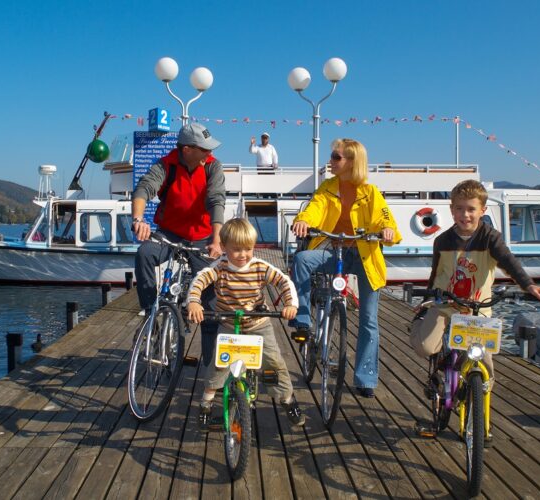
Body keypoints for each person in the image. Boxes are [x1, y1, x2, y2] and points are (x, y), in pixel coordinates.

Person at [409, 179, 540, 382]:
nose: (465, 215)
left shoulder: (490, 238)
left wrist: (529, 285)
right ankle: (421, 327)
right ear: (451, 210)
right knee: (425, 347)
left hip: (477, 307)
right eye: (459, 208)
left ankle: (480, 399)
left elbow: (509, 262)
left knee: (484, 362)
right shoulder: (443, 241)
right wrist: (426, 301)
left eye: (471, 209)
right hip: (445, 303)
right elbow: (436, 273)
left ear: (482, 210)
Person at [291, 138, 401, 398]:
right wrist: (303, 221)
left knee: (369, 320)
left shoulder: (371, 193)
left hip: (364, 255)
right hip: (334, 250)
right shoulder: (327, 188)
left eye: (336, 157)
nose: (331, 161)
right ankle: (303, 320)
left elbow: (386, 221)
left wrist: (387, 232)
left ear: (352, 161)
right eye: (332, 156)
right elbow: (314, 209)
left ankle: (365, 378)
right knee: (302, 259)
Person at [186, 218, 305, 428]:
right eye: (236, 249)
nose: (243, 255)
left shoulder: (260, 267)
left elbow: (283, 281)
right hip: (230, 324)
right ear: (223, 248)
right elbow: (200, 280)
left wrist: (290, 304)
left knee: (274, 362)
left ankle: (287, 399)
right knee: (219, 364)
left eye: (248, 249)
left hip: (259, 323)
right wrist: (194, 302)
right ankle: (205, 404)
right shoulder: (219, 267)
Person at [131, 122, 225, 370]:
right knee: (144, 254)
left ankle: (210, 367)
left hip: (202, 237)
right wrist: (138, 220)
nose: (209, 153)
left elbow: (216, 199)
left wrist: (217, 239)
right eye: (203, 149)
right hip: (169, 233)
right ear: (186, 149)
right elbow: (144, 188)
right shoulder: (166, 165)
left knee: (210, 301)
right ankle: (151, 315)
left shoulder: (213, 166)